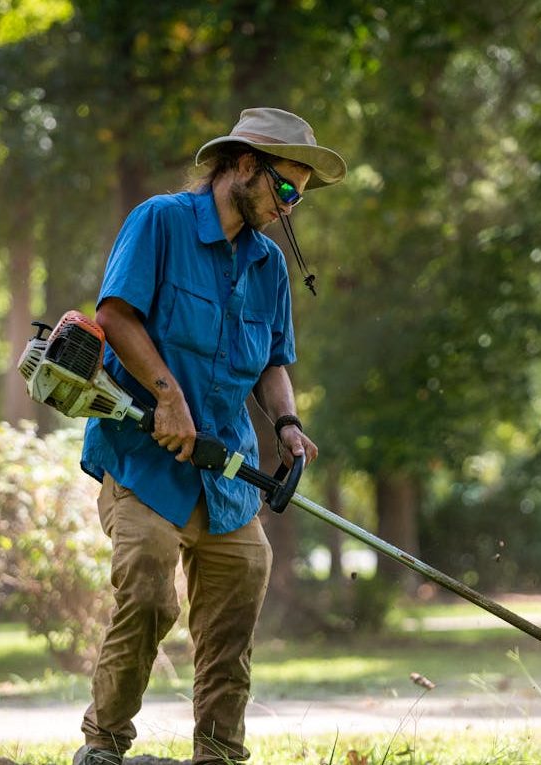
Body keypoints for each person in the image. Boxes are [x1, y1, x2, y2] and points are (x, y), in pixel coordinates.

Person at [74, 107, 346, 765]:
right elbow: (115, 313)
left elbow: (274, 359)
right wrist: (166, 394)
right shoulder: (161, 222)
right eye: (284, 189)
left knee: (240, 591)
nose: (288, 208)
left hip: (226, 474)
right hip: (145, 459)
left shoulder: (269, 265)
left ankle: (218, 753)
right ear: (244, 164)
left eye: (298, 200)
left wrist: (287, 424)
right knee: (146, 586)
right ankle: (104, 745)